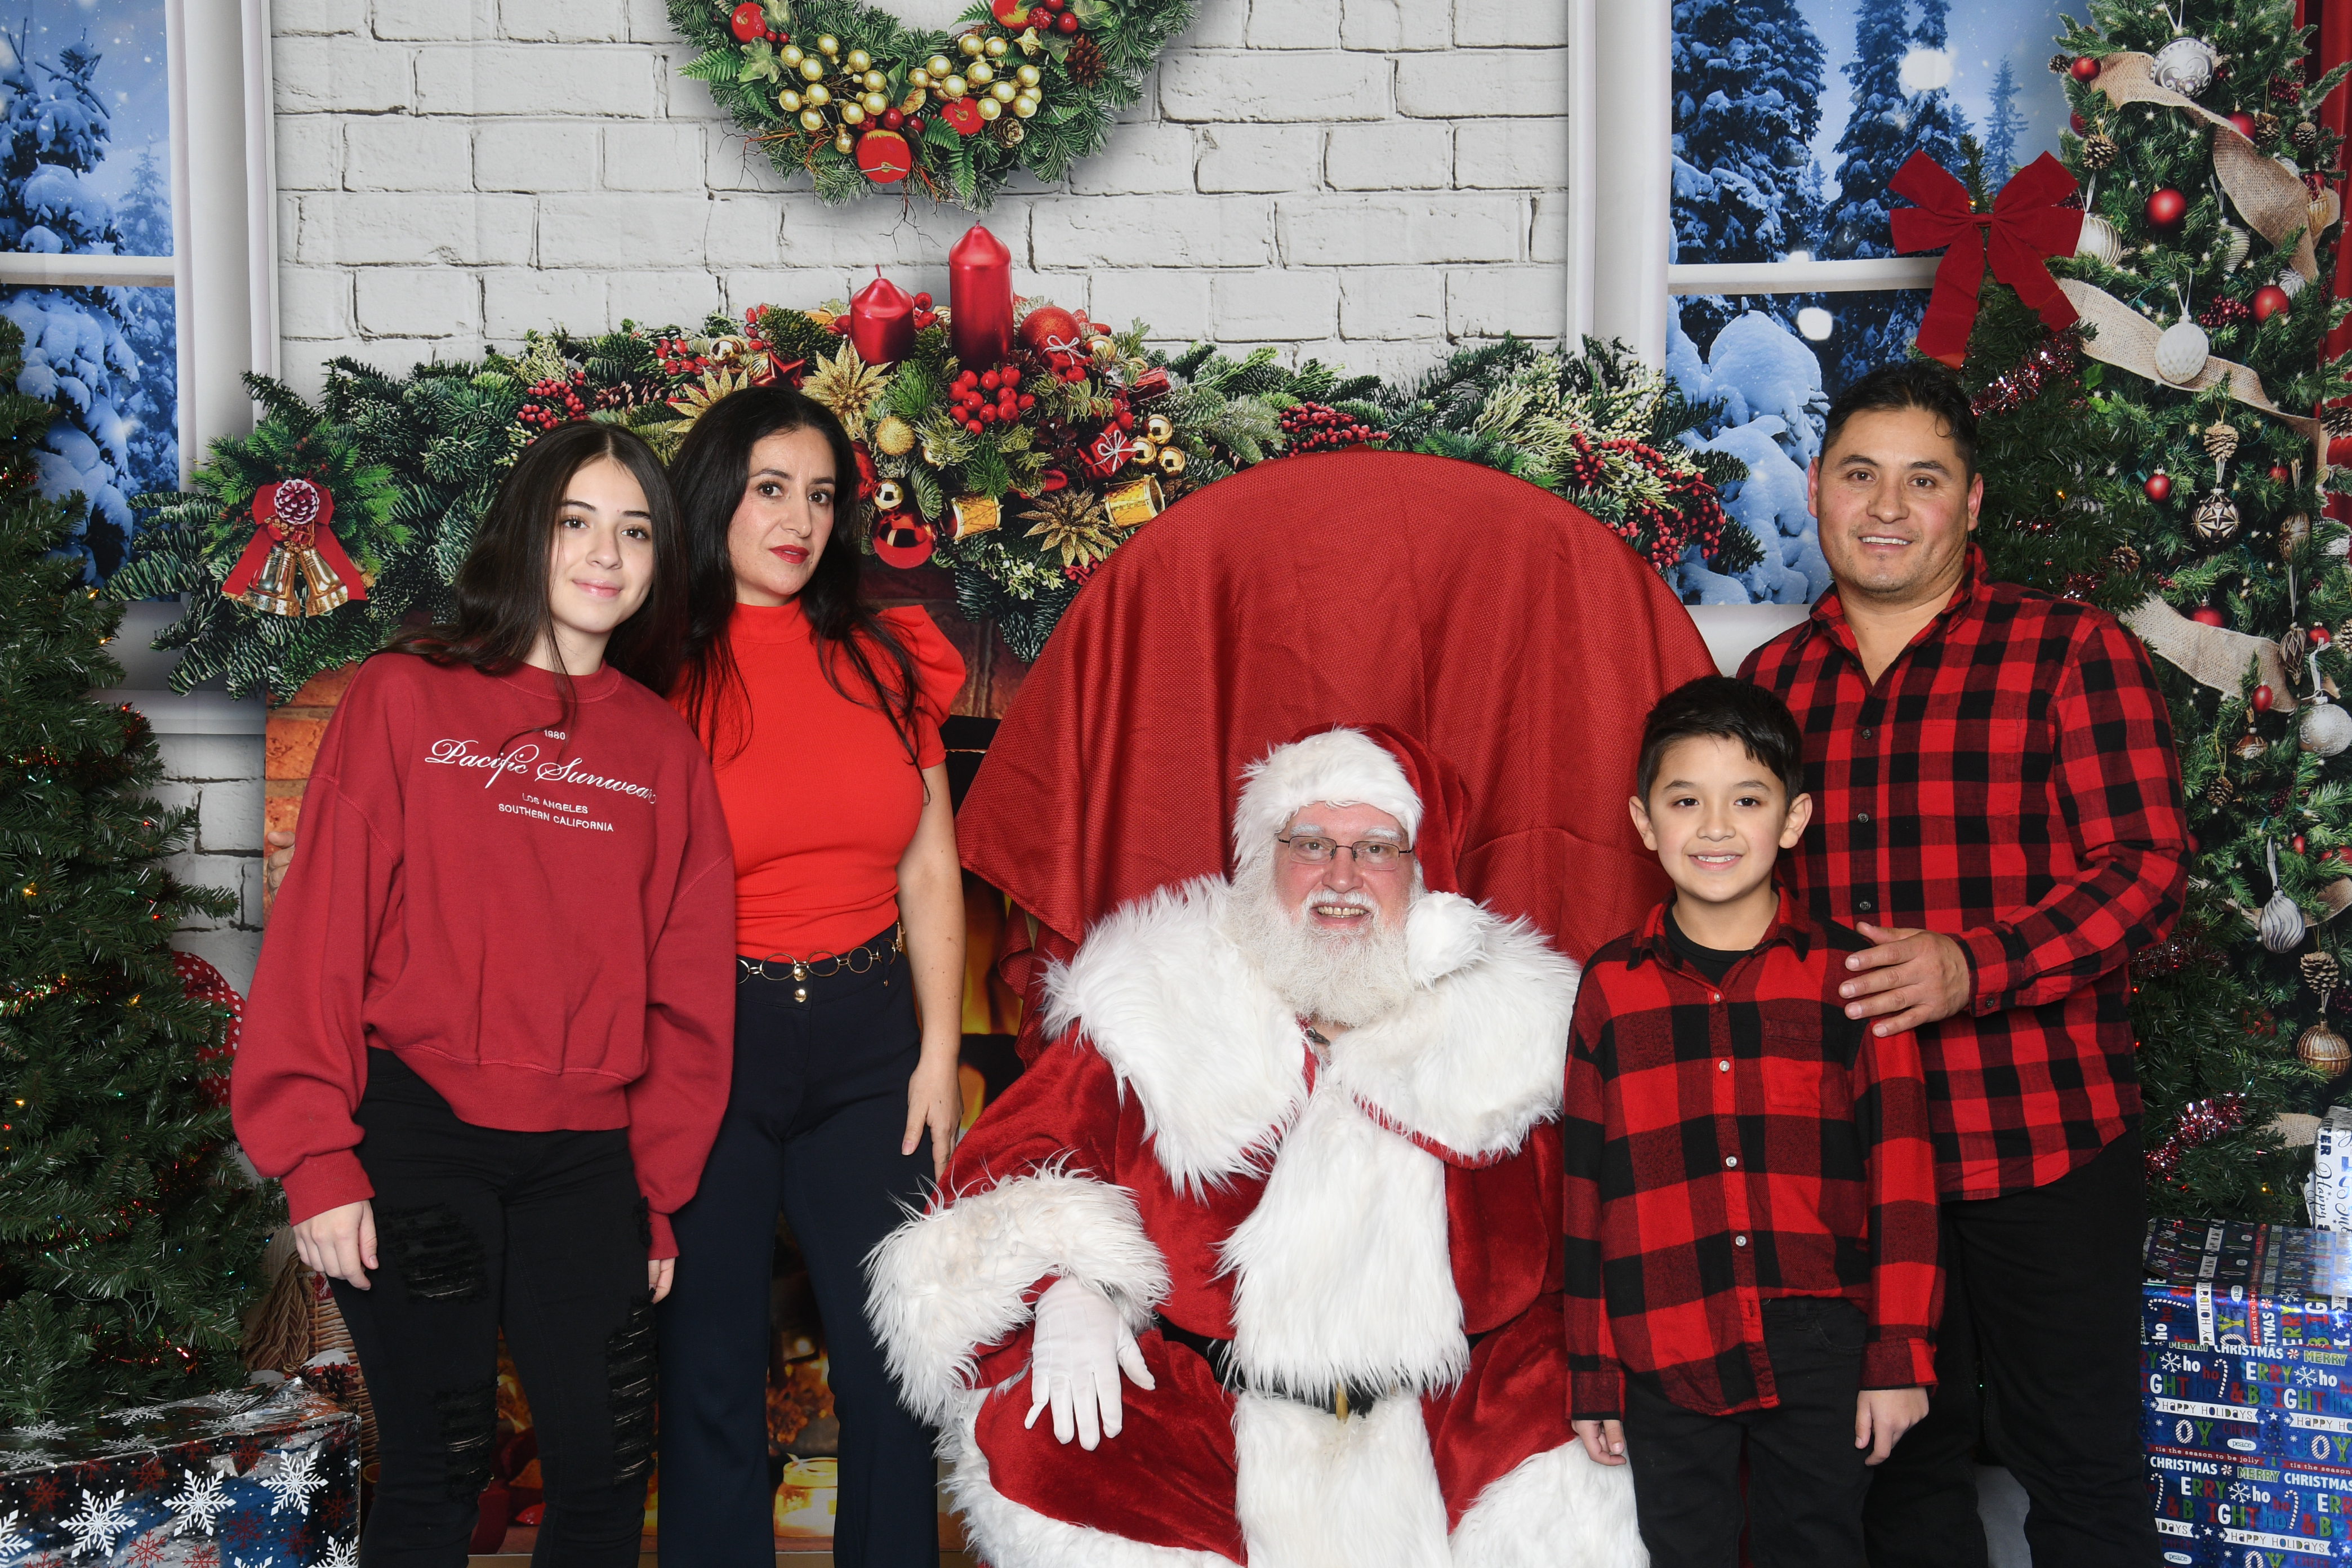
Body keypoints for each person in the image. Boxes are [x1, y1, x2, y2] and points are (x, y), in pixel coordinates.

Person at [864, 725, 1642, 1568]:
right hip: (1210, 1430)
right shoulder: (1161, 998)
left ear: (1422, 872)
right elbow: (1001, 1178)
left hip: (1449, 1427)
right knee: (1046, 1442)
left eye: (1374, 848)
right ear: (1264, 858)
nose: (1340, 877)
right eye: (1311, 844)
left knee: (1591, 1456)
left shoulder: (1517, 1036)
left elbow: (1603, 1238)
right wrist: (1067, 1286)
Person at [231, 422, 739, 1568]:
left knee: (607, 1480)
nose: (606, 554)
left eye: (636, 532)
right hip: (419, 1140)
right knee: (439, 1473)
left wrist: (657, 1193)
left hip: (587, 1162)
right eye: (576, 522)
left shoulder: (663, 750)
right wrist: (316, 1156)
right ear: (523, 532)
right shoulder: (406, 698)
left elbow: (689, 993)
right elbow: (322, 935)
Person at [1739, 362, 2190, 1566]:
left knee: (2081, 1471)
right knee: (1896, 1486)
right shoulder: (1770, 687)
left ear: (1972, 502)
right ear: (1819, 489)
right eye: (1860, 475)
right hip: (1855, 1162)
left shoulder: (2068, 652)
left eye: (1923, 480)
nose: (1888, 507)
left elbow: (2147, 869)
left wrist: (1976, 966)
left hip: (2038, 1139)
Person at [653, 385, 967, 1568]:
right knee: (711, 1372)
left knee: (894, 1369)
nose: (799, 521)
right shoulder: (654, 668)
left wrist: (940, 1053)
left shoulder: (888, 656)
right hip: (713, 1040)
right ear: (714, 497)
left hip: (871, 1039)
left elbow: (929, 866)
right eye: (771, 490)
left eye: (822, 496)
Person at [1563, 675, 1943, 1568]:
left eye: (1747, 800)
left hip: (1821, 1340)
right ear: (1645, 822)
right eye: (1685, 801)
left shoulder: (1853, 976)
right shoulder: (1611, 987)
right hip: (1665, 1336)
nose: (1716, 828)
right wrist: (1592, 1370)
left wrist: (1899, 1357)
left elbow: (1902, 1176)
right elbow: (1586, 1190)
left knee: (1815, 1546)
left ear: (1794, 818)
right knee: (1683, 1550)